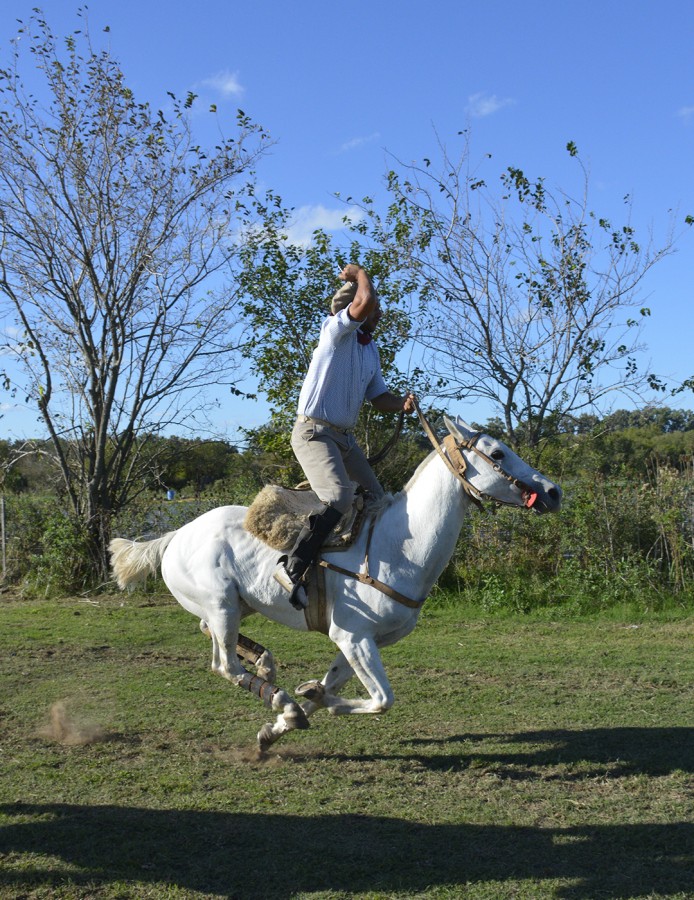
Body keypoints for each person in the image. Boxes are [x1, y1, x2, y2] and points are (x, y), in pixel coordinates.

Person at [274, 263, 416, 610]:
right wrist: (361, 273)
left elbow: (378, 397)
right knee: (339, 497)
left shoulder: (370, 350)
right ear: (351, 309)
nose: (379, 313)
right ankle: (291, 567)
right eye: (374, 309)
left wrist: (401, 404)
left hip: (343, 438)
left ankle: (361, 571)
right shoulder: (335, 331)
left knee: (379, 500)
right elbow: (365, 300)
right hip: (313, 432)